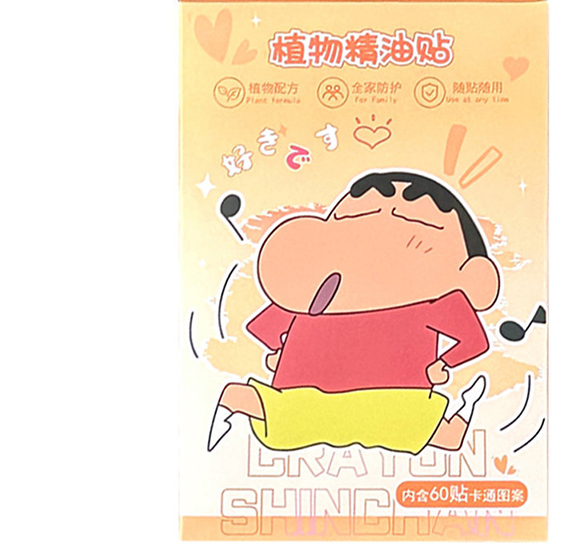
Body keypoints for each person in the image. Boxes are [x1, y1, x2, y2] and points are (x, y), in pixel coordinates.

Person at [208, 170, 501, 455]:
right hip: (305, 397)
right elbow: (265, 328)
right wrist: (278, 351)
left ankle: (468, 404)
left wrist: (444, 363)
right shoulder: (315, 295)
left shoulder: (434, 302)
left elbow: (475, 341)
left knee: (449, 438)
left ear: (471, 273)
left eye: (415, 225)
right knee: (238, 397)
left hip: (396, 401)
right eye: (354, 219)